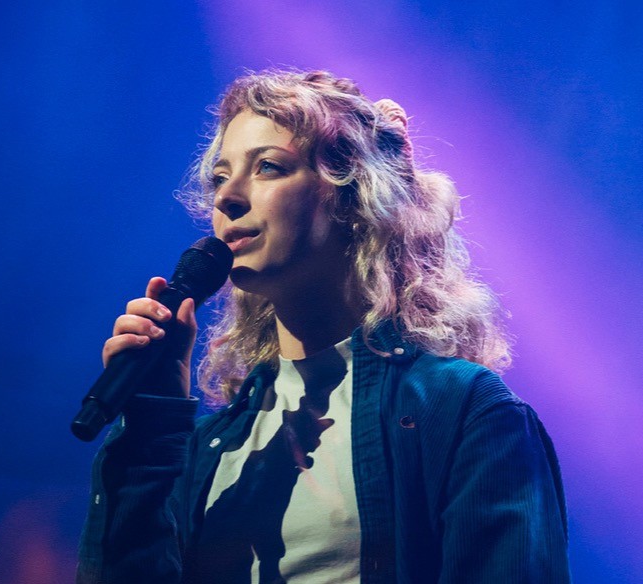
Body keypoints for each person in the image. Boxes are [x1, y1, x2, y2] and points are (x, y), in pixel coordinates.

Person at [76, 69, 571, 583]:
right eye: (220, 177)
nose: (227, 197)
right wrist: (153, 419)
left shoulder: (459, 409)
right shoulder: (212, 444)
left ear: (354, 198)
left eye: (268, 167)